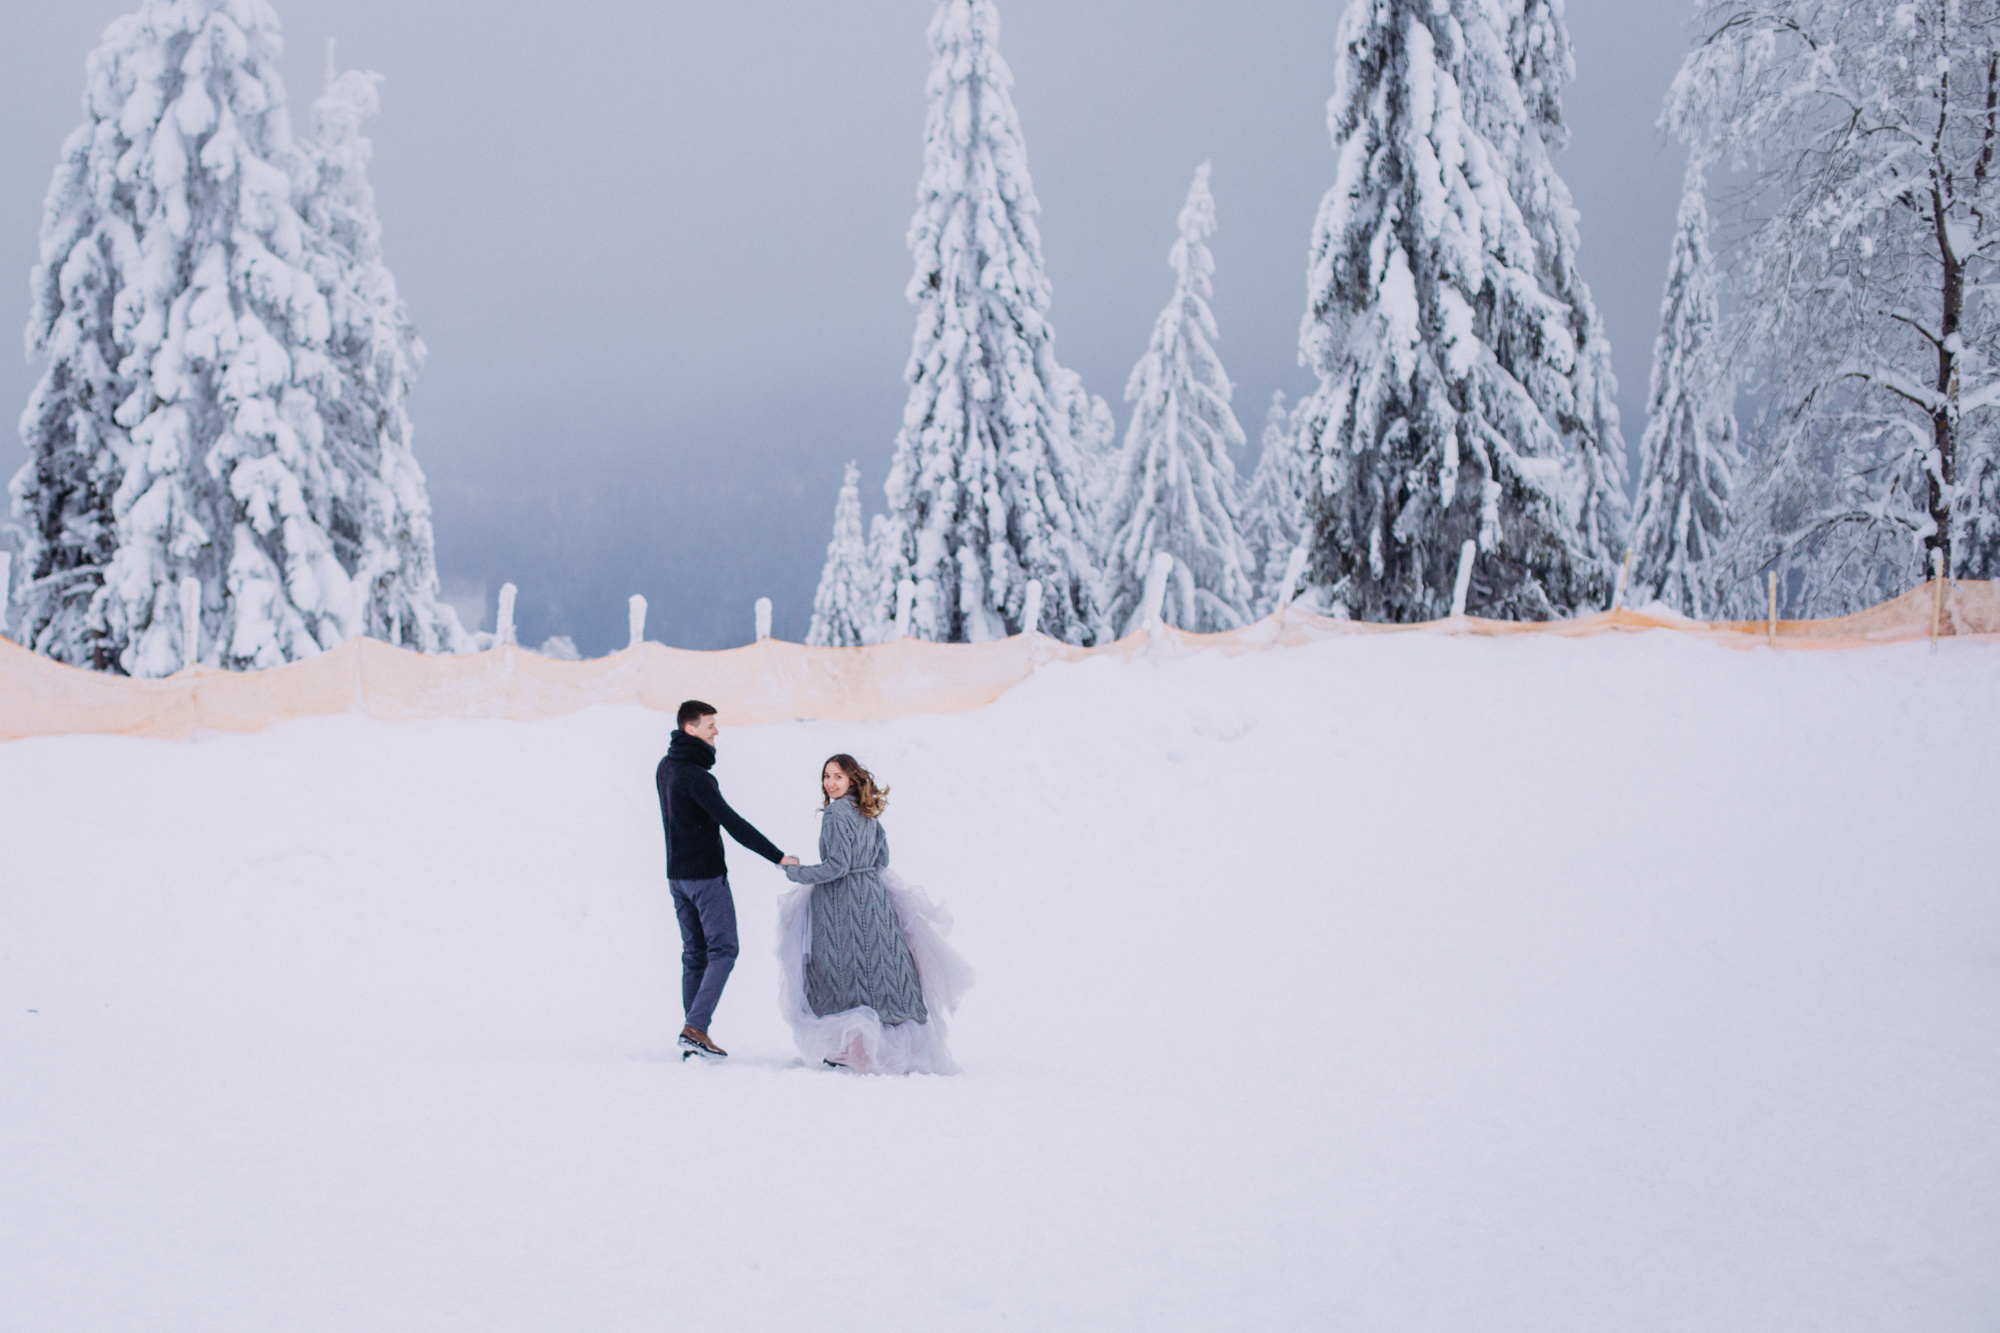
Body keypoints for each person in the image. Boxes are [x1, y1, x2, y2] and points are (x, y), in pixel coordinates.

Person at [775, 754, 973, 1075]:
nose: (830, 783)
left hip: (843, 904)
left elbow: (836, 866)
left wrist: (795, 872)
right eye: (826, 777)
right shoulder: (867, 813)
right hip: (874, 898)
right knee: (879, 970)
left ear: (852, 779)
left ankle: (851, 1051)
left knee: (844, 971)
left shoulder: (835, 814)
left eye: (838, 776)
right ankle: (871, 1050)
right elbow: (882, 858)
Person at [655, 699, 797, 1060]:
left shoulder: (666, 767)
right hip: (705, 879)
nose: (716, 731)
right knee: (724, 950)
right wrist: (778, 857)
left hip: (677, 878)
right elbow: (733, 824)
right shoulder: (697, 777)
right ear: (691, 729)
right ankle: (696, 1029)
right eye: (710, 725)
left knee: (695, 955)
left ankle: (693, 1036)